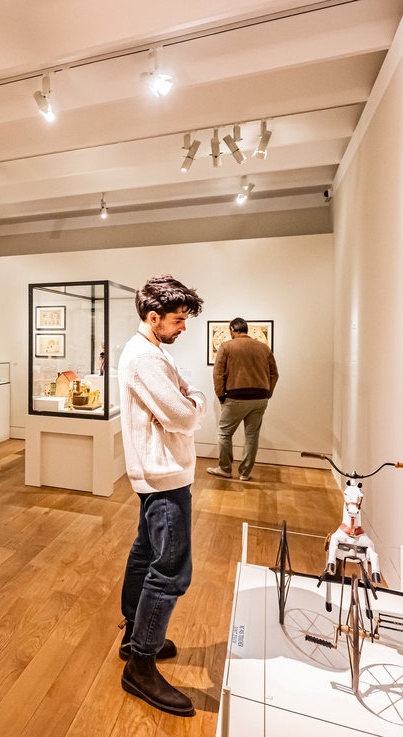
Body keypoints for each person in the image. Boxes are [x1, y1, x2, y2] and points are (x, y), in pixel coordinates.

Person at [117, 274, 206, 718]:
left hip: (159, 471)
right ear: (153, 318)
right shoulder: (145, 358)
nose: (183, 327)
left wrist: (186, 402)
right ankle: (141, 664)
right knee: (170, 570)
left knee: (145, 552)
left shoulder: (149, 352)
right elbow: (184, 417)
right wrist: (197, 400)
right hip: (164, 475)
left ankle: (134, 636)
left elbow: (178, 412)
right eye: (178, 320)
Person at [206, 318, 278, 482]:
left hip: (236, 397)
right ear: (246, 329)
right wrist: (268, 393)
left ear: (232, 329)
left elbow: (218, 374)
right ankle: (245, 473)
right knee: (252, 436)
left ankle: (225, 469)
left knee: (224, 433)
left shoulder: (226, 346)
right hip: (260, 398)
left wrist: (221, 395)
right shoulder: (264, 348)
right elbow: (274, 374)